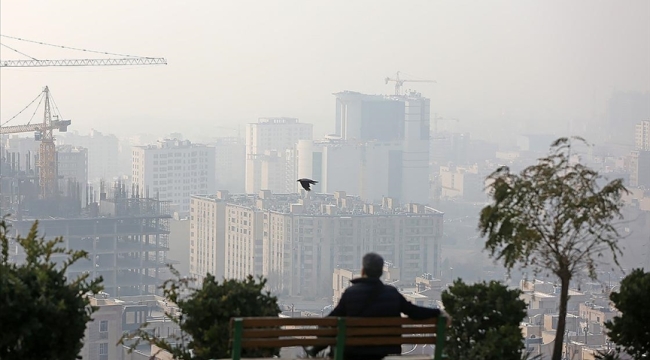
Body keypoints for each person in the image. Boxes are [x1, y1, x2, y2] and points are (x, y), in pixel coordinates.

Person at [306, 252, 451, 359]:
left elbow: (329, 321)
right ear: (381, 272)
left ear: (363, 271)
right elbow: (413, 312)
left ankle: (313, 351)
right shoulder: (392, 294)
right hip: (384, 352)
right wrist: (438, 312)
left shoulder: (351, 293)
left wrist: (318, 346)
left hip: (352, 353)